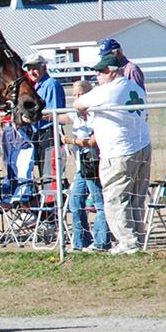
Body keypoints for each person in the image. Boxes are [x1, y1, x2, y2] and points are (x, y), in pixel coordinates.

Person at [74, 52, 150, 254]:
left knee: (115, 197)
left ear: (111, 72)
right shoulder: (136, 88)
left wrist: (84, 111)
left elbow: (78, 103)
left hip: (118, 150)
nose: (98, 77)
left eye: (100, 72)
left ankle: (128, 242)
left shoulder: (108, 91)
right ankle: (136, 239)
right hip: (142, 146)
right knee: (136, 197)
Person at [61, 78, 110, 252]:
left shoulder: (96, 114)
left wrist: (71, 140)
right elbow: (59, 117)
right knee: (75, 202)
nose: (76, 98)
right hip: (82, 165)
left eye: (80, 94)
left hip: (94, 162)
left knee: (99, 202)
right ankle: (81, 241)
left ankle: (102, 241)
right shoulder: (76, 114)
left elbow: (94, 141)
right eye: (74, 95)